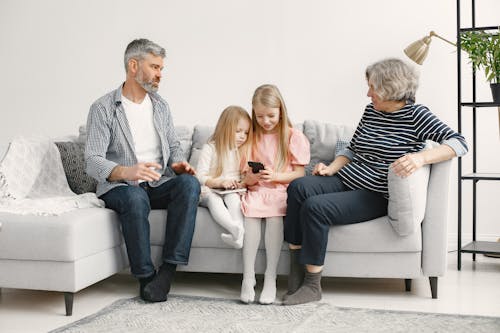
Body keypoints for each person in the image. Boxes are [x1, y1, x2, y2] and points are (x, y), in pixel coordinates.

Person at [282, 58, 468, 306]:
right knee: (298, 187)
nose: (368, 93)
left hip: (375, 193)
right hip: (347, 178)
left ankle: (312, 285)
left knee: (315, 207)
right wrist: (331, 167)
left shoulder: (416, 116)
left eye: (373, 87)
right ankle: (296, 270)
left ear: (391, 88)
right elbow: (353, 147)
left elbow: (459, 142)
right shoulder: (372, 111)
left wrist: (420, 158)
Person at [85, 38, 200, 303]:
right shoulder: (103, 109)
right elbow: (92, 160)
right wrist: (127, 172)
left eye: (162, 68)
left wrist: (178, 164)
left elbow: (173, 145)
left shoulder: (161, 106)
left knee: (190, 185)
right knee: (135, 198)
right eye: (155, 67)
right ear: (133, 65)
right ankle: (146, 277)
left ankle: (167, 273)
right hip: (121, 187)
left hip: (158, 183)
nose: (160, 74)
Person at [240, 84, 310, 304]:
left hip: (280, 189)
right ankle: (248, 277)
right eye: (260, 116)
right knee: (250, 217)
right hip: (257, 189)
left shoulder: (292, 136)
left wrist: (276, 176)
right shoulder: (251, 135)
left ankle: (270, 278)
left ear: (281, 111)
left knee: (274, 218)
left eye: (271, 116)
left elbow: (299, 173)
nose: (266, 121)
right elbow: (244, 172)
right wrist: (251, 178)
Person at [196, 105, 252, 249]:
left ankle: (239, 235)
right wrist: (219, 182)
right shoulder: (211, 147)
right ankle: (234, 228)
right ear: (225, 128)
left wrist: (240, 184)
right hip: (209, 189)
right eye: (238, 131)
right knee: (214, 200)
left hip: (230, 190)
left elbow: (242, 177)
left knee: (234, 200)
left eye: (246, 133)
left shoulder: (241, 150)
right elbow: (199, 176)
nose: (242, 136)